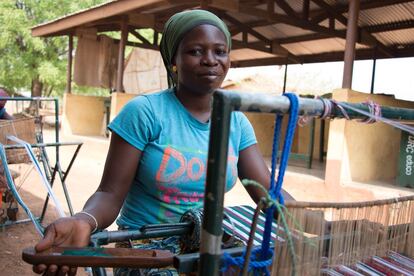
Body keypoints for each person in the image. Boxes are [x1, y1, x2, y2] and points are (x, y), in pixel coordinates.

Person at [33, 10, 294, 276]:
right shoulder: (145, 113)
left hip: (206, 246)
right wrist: (83, 221)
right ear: (174, 60)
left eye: (220, 51)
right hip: (148, 250)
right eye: (196, 51)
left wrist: (317, 220)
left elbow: (269, 194)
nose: (210, 61)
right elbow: (109, 194)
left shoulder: (235, 121)